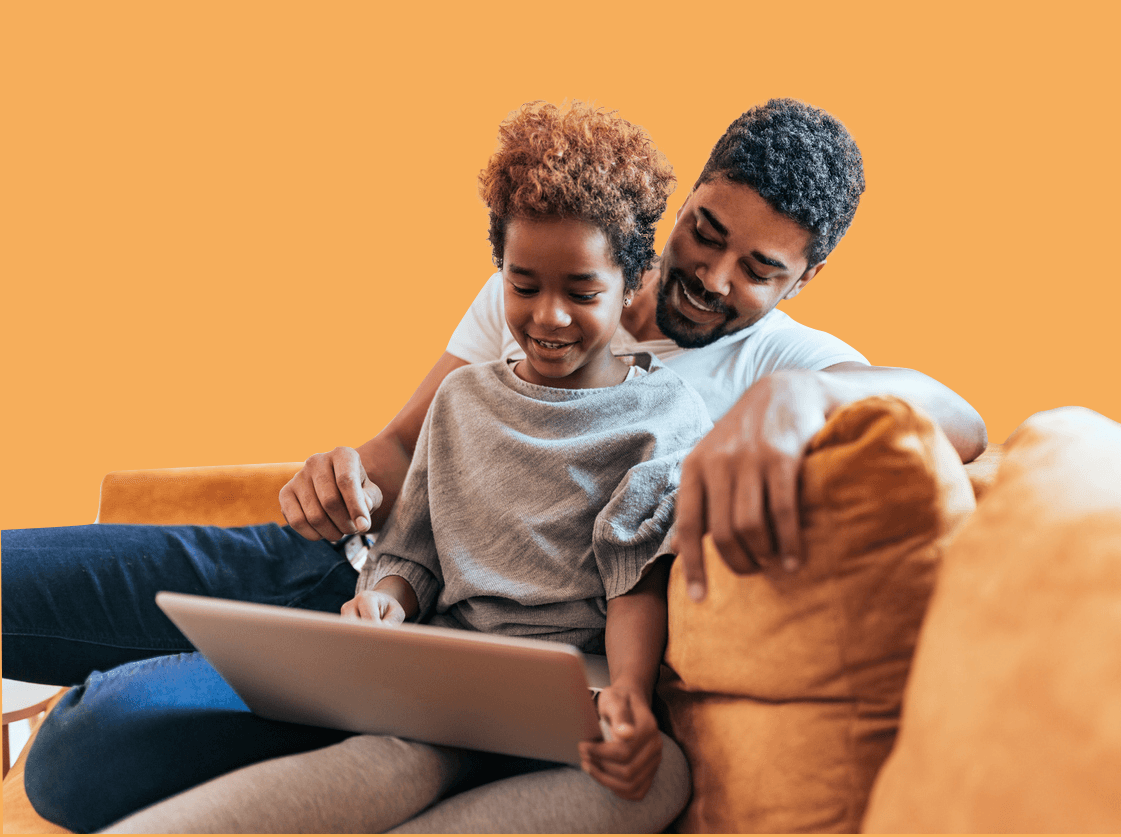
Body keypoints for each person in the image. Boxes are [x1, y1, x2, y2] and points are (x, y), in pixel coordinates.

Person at [30, 101, 704, 833]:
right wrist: (385, 599)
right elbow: (412, 550)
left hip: (579, 687)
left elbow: (636, 576)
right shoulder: (463, 400)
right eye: (523, 285)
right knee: (392, 761)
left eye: (582, 291)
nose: (549, 316)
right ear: (498, 273)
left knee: (658, 774)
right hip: (445, 678)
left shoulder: (664, 417)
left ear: (633, 282)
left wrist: (632, 691)